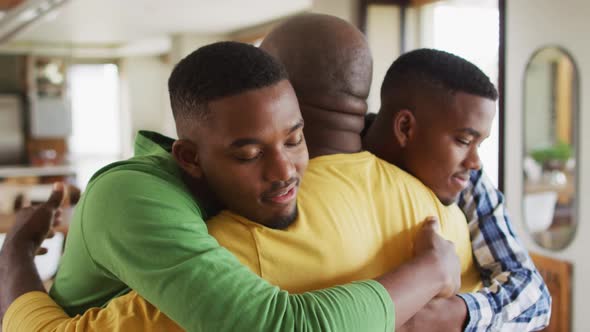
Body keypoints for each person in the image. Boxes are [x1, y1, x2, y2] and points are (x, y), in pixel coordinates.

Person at [1, 41, 462, 332]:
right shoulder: (134, 198)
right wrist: (430, 272)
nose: (285, 171)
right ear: (189, 158)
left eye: (294, 138)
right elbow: (279, 328)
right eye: (249, 154)